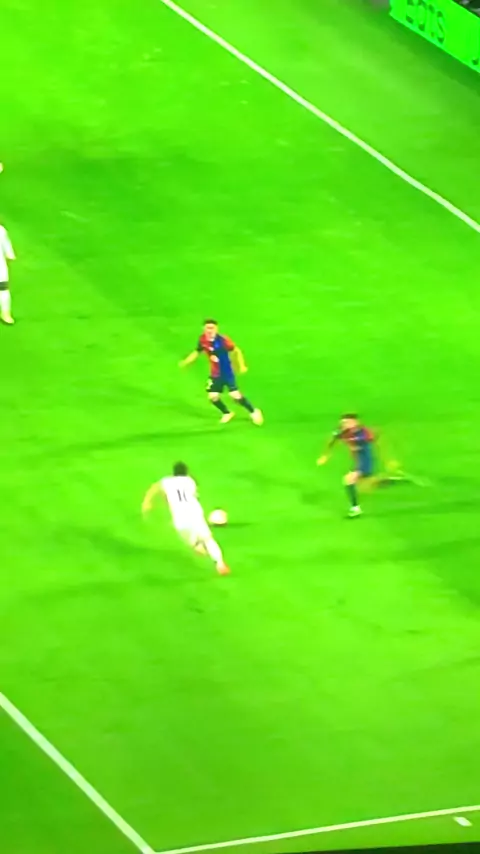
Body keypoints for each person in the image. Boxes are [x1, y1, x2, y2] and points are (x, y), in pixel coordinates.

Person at [142, 461, 230, 575]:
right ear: (186, 472)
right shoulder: (190, 481)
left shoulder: (166, 482)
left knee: (193, 542)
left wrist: (147, 503)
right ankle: (220, 563)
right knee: (208, 539)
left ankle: (197, 545)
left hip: (180, 518)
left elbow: (155, 488)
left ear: (173, 473)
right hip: (195, 514)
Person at [317, 414, 404, 517]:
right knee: (365, 486)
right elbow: (332, 441)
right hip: (357, 462)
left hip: (366, 462)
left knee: (349, 480)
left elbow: (378, 441)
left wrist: (388, 459)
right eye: (343, 423)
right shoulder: (342, 432)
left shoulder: (364, 433)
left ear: (355, 422)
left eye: (347, 422)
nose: (344, 425)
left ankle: (355, 509)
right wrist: (325, 455)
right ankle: (390, 481)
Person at [179, 319, 263, 425]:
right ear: (204, 329)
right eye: (207, 328)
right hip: (215, 374)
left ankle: (254, 412)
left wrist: (241, 366)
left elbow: (236, 351)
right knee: (213, 396)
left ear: (216, 329)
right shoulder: (203, 339)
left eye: (212, 328)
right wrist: (186, 362)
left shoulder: (223, 341)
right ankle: (227, 413)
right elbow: (197, 351)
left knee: (235, 396)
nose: (209, 330)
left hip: (227, 372)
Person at [0, 224, 15, 325]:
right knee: (3, 290)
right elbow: (9, 254)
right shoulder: (1, 230)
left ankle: (6, 314)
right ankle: (6, 315)